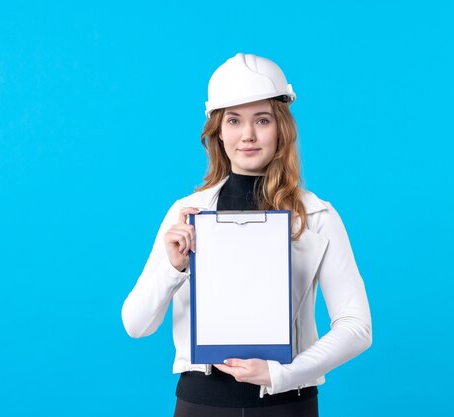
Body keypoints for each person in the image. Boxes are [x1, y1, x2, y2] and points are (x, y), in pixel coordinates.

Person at [121, 53, 372, 417]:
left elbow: (357, 326)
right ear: (218, 131)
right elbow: (136, 324)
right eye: (234, 120)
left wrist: (281, 374)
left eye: (262, 120)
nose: (248, 135)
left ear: (281, 128)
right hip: (200, 404)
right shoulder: (187, 212)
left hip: (287, 405)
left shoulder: (317, 216)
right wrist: (173, 268)